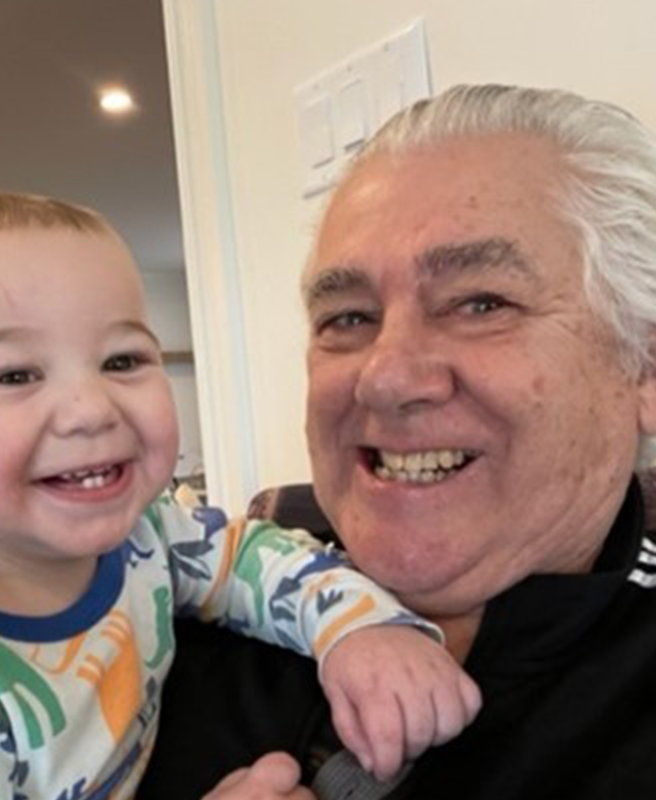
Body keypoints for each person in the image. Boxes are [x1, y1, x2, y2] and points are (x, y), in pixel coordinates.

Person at [0, 193, 480, 800]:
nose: (91, 409)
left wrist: (358, 629)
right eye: (13, 374)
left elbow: (251, 560)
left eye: (122, 360)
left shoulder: (148, 531)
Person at [139, 83, 656, 800]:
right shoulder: (151, 623)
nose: (383, 378)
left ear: (643, 366)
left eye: (480, 303)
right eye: (348, 318)